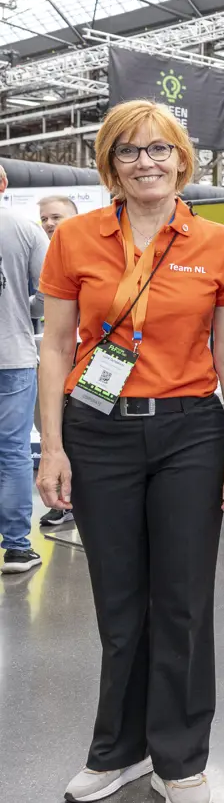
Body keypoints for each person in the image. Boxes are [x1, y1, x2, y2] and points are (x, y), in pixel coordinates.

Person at [34, 99, 224, 803]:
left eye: (159, 149)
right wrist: (52, 446)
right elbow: (55, 347)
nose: (146, 162)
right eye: (128, 150)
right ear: (110, 164)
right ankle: (118, 751)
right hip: (98, 431)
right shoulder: (74, 238)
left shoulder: (218, 245)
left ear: (182, 159)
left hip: (190, 431)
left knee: (183, 603)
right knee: (119, 601)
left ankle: (180, 758)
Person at [0, 164, 50, 575]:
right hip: (11, 354)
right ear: (3, 184)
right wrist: (22, 306)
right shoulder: (25, 230)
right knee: (13, 452)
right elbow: (50, 295)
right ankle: (16, 548)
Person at [35, 194, 79, 528]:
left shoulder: (88, 251)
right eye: (45, 219)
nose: (50, 224)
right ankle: (65, 499)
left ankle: (74, 500)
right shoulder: (47, 253)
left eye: (56, 217)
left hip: (89, 358)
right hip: (55, 354)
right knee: (49, 425)